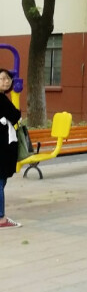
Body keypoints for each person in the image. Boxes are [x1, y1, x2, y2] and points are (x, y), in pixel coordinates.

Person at [0, 68, 21, 228]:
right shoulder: (1, 100)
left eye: (7, 79)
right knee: (0, 181)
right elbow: (15, 116)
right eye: (2, 79)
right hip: (2, 146)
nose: (6, 81)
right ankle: (1, 218)